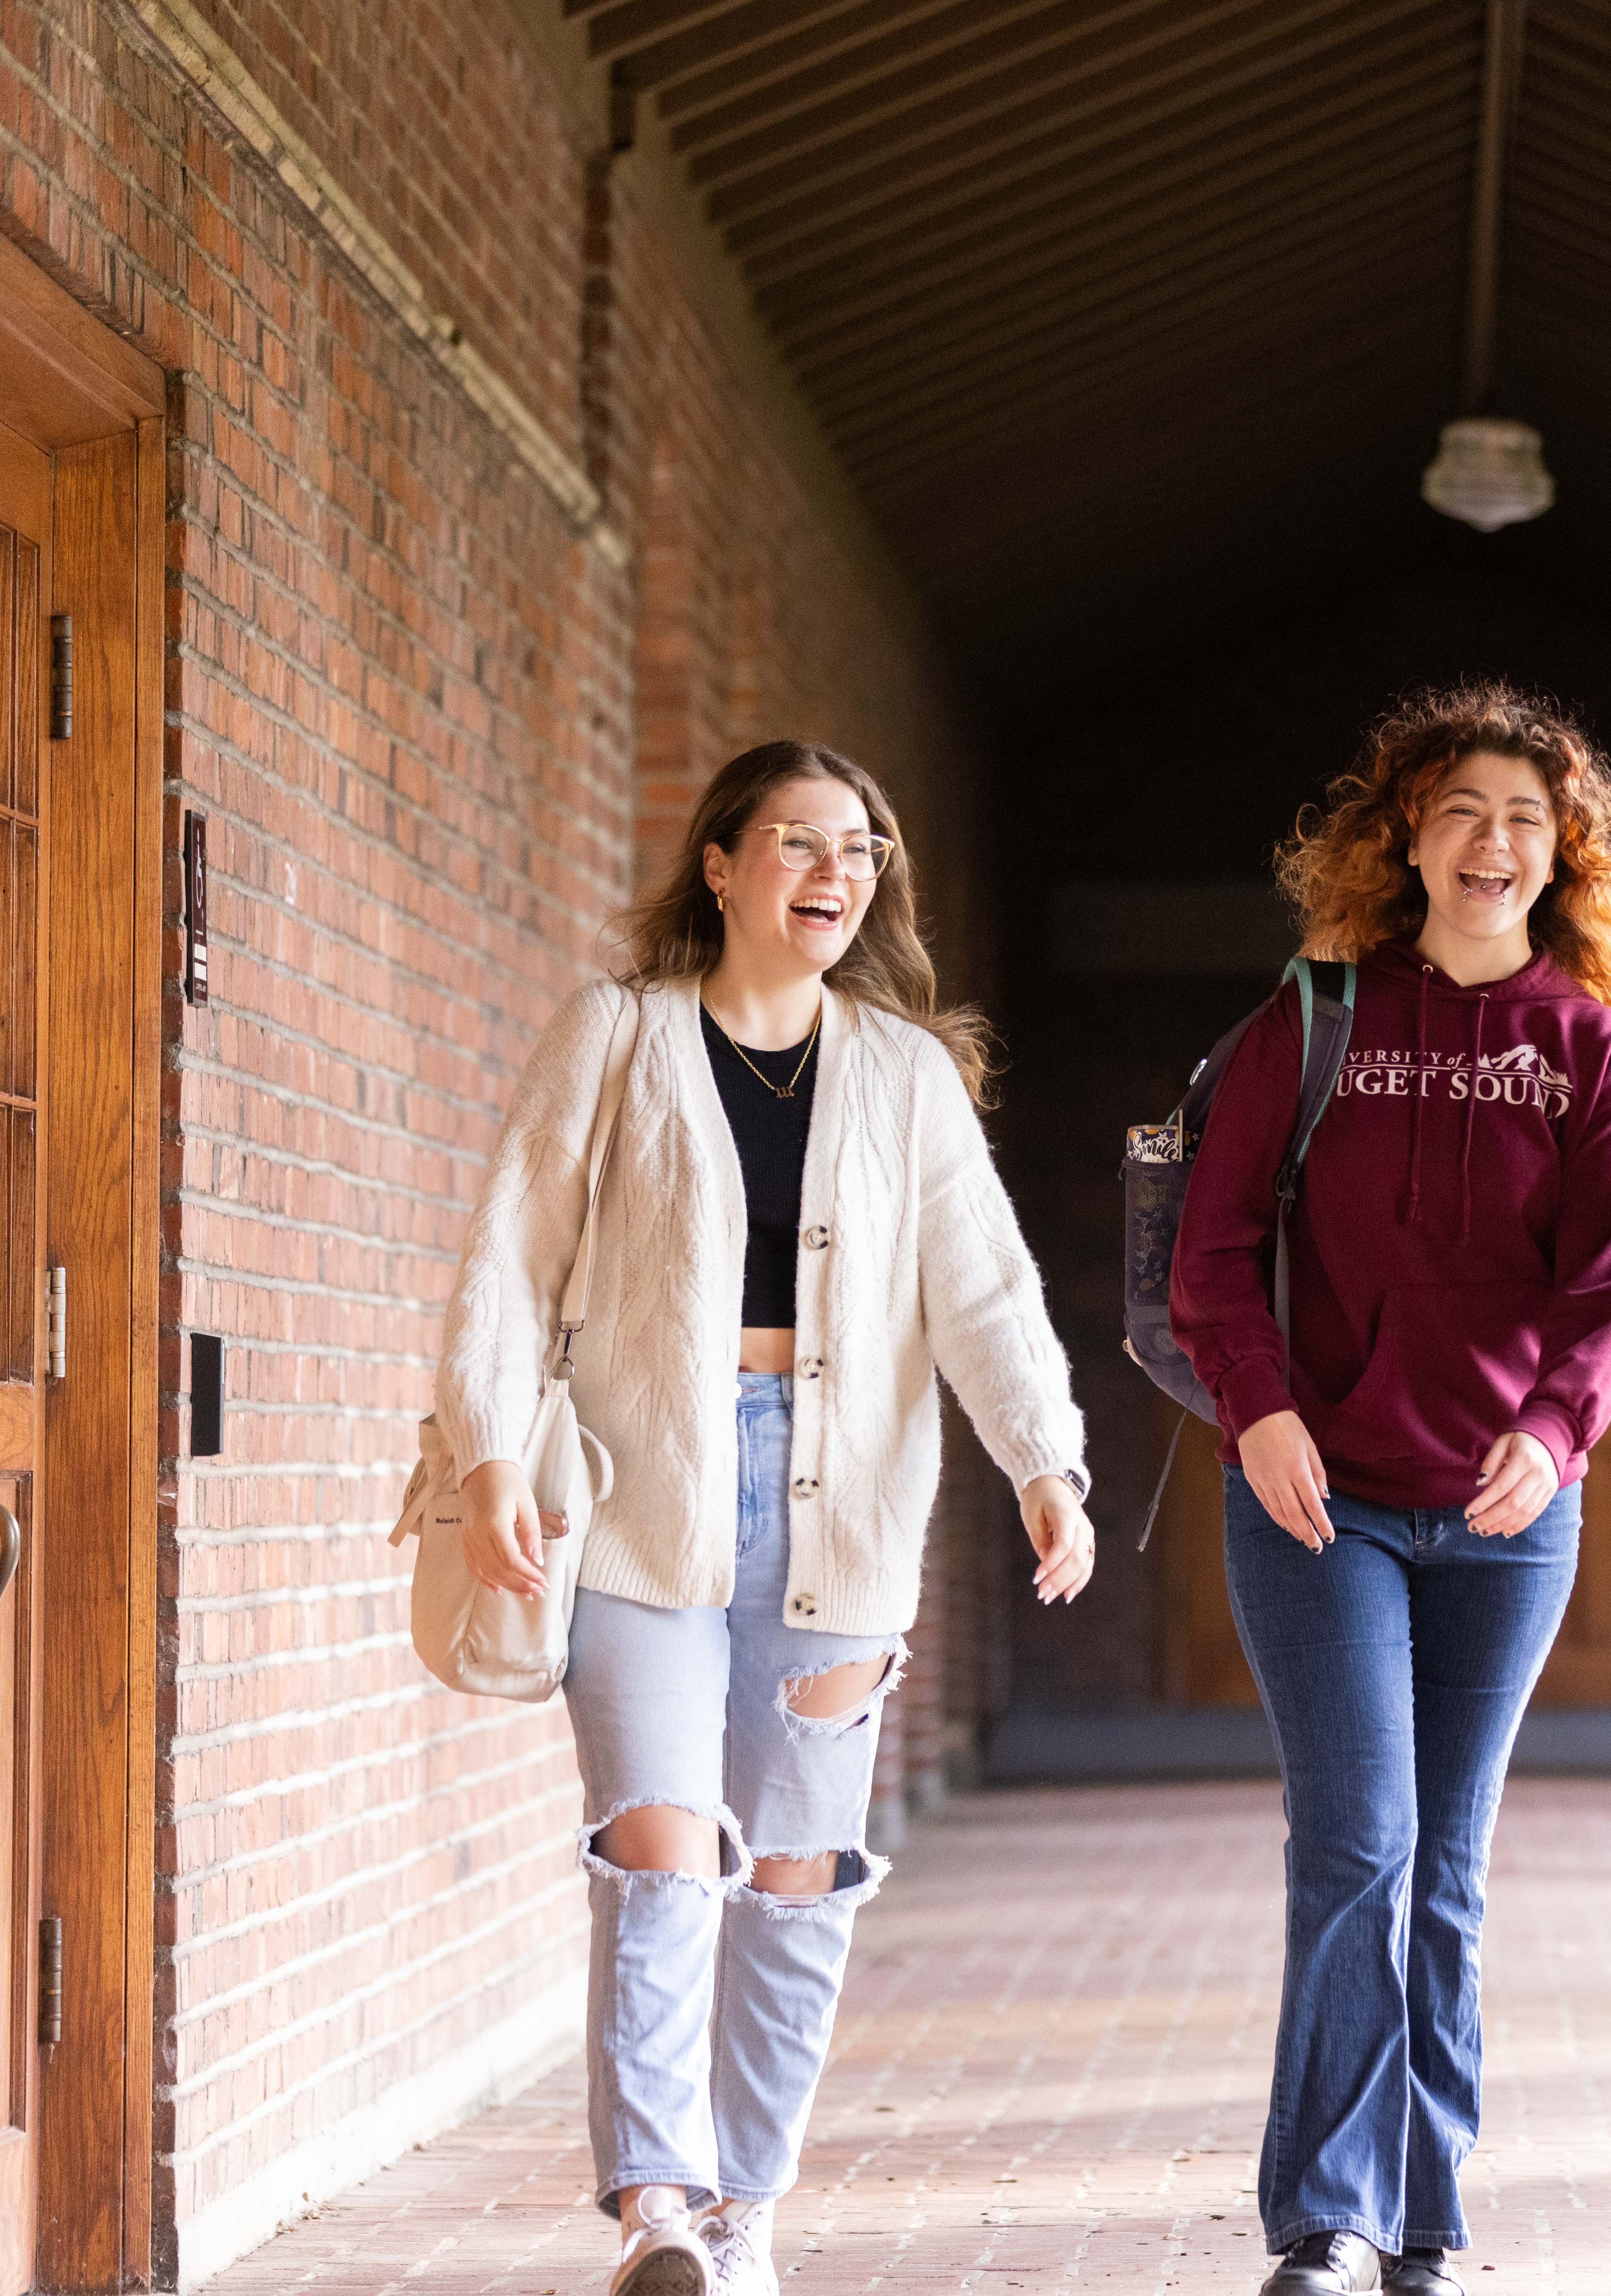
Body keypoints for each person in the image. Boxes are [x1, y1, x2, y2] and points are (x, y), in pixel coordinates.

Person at [435, 741, 1096, 2296]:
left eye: (859, 850)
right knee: (664, 1853)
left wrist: (1042, 1462)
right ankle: (658, 2208)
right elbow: (512, 1257)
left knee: (794, 1874)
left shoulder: (905, 1072)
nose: (832, 873)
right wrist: (481, 1457)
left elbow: (985, 1288)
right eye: (796, 842)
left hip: (846, 1502)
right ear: (721, 863)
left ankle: (746, 2209)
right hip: (637, 1492)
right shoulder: (616, 1034)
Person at [1170, 684, 1611, 2296]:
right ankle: (1325, 2217)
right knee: (1360, 1849)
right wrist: (1254, 1408)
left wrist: (1560, 1424)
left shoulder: (1590, 1053)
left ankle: (1430, 2219)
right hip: (1319, 1503)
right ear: (1408, 832)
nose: (1493, 839)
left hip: (1505, 1519)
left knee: (1446, 1869)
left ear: (1561, 857)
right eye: (1462, 807)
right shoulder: (1314, 1018)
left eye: (1527, 818)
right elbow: (1212, 1245)